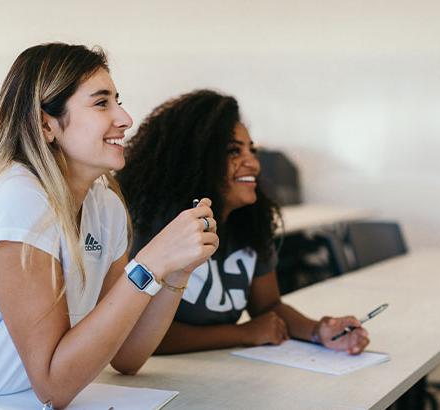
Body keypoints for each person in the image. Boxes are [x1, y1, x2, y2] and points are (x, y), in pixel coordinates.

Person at [0, 44, 219, 409]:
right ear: (46, 124)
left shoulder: (104, 205)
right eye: (101, 103)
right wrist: (150, 263)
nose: (125, 118)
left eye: (117, 101)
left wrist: (174, 270)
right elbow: (53, 385)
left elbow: (127, 355)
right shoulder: (18, 198)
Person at [117, 89, 370, 355]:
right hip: (162, 381)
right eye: (234, 152)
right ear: (196, 159)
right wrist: (242, 333)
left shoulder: (251, 221)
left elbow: (267, 307)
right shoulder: (150, 224)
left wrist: (319, 331)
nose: (252, 163)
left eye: (251, 150)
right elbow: (139, 336)